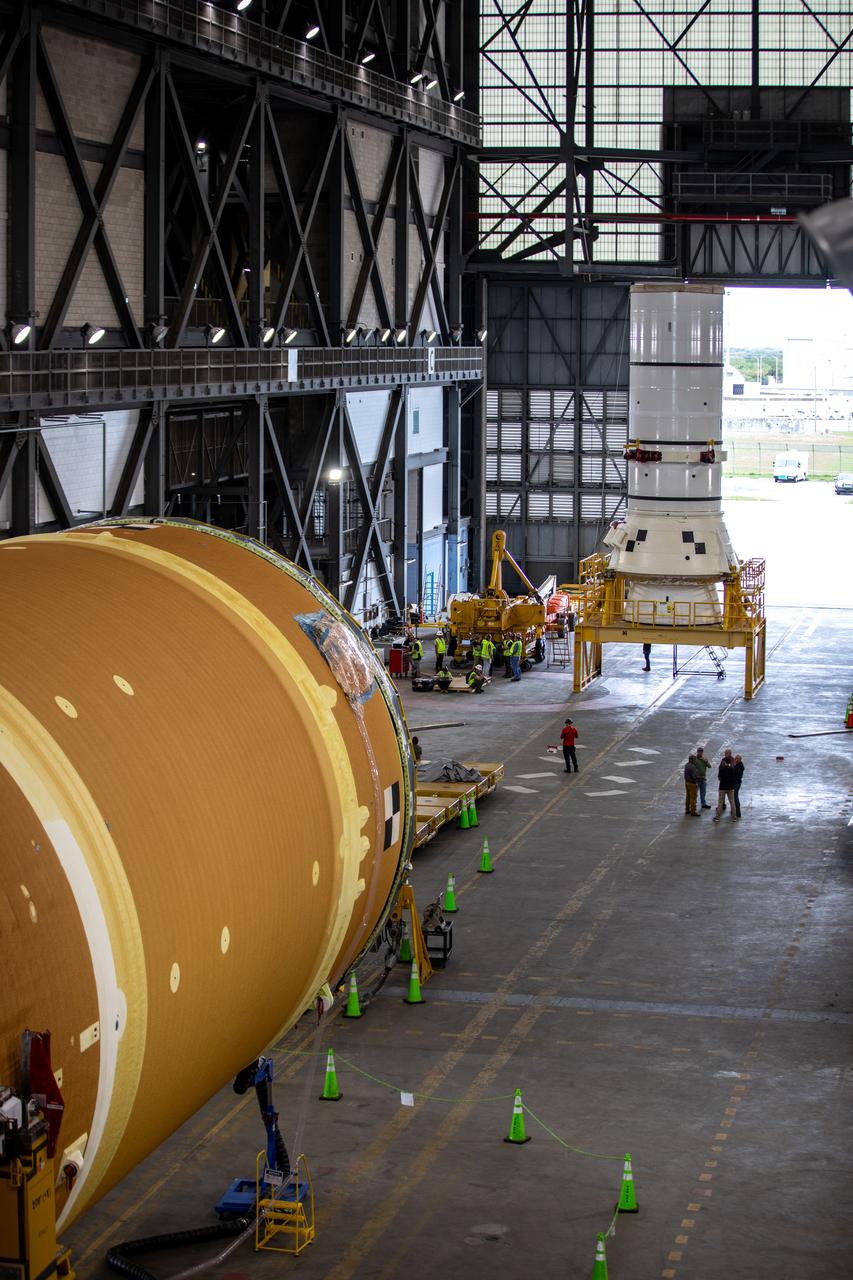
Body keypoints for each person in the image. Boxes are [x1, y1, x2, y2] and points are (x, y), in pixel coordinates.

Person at [713, 751, 737, 822]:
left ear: (724, 762)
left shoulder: (722, 770)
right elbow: (734, 778)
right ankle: (734, 817)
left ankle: (717, 817)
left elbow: (719, 778)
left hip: (722, 787)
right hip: (730, 788)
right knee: (732, 802)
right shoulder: (732, 770)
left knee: (720, 803)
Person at [732, 754, 745, 818]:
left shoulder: (739, 766)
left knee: (735, 797)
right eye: (735, 759)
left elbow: (734, 773)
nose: (735, 760)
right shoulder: (738, 765)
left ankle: (738, 813)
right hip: (736, 783)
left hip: (736, 783)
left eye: (736, 759)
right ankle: (735, 811)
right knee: (734, 797)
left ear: (739, 759)